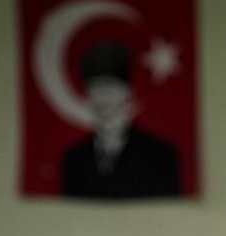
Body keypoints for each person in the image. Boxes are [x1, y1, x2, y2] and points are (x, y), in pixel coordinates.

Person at [62, 40, 182, 199]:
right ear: (87, 94)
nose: (103, 99)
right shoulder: (74, 158)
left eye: (110, 88)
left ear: (128, 92)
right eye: (96, 88)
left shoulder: (160, 154)